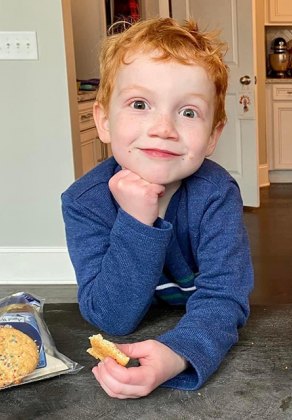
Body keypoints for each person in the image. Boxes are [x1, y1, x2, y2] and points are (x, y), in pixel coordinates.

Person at [61, 17, 253, 398]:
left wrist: (177, 354)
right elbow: (111, 318)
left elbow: (226, 298)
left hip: (192, 334)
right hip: (135, 332)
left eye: (188, 112)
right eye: (139, 104)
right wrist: (135, 220)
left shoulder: (216, 194)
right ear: (103, 121)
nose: (163, 127)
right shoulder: (84, 202)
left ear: (213, 135)